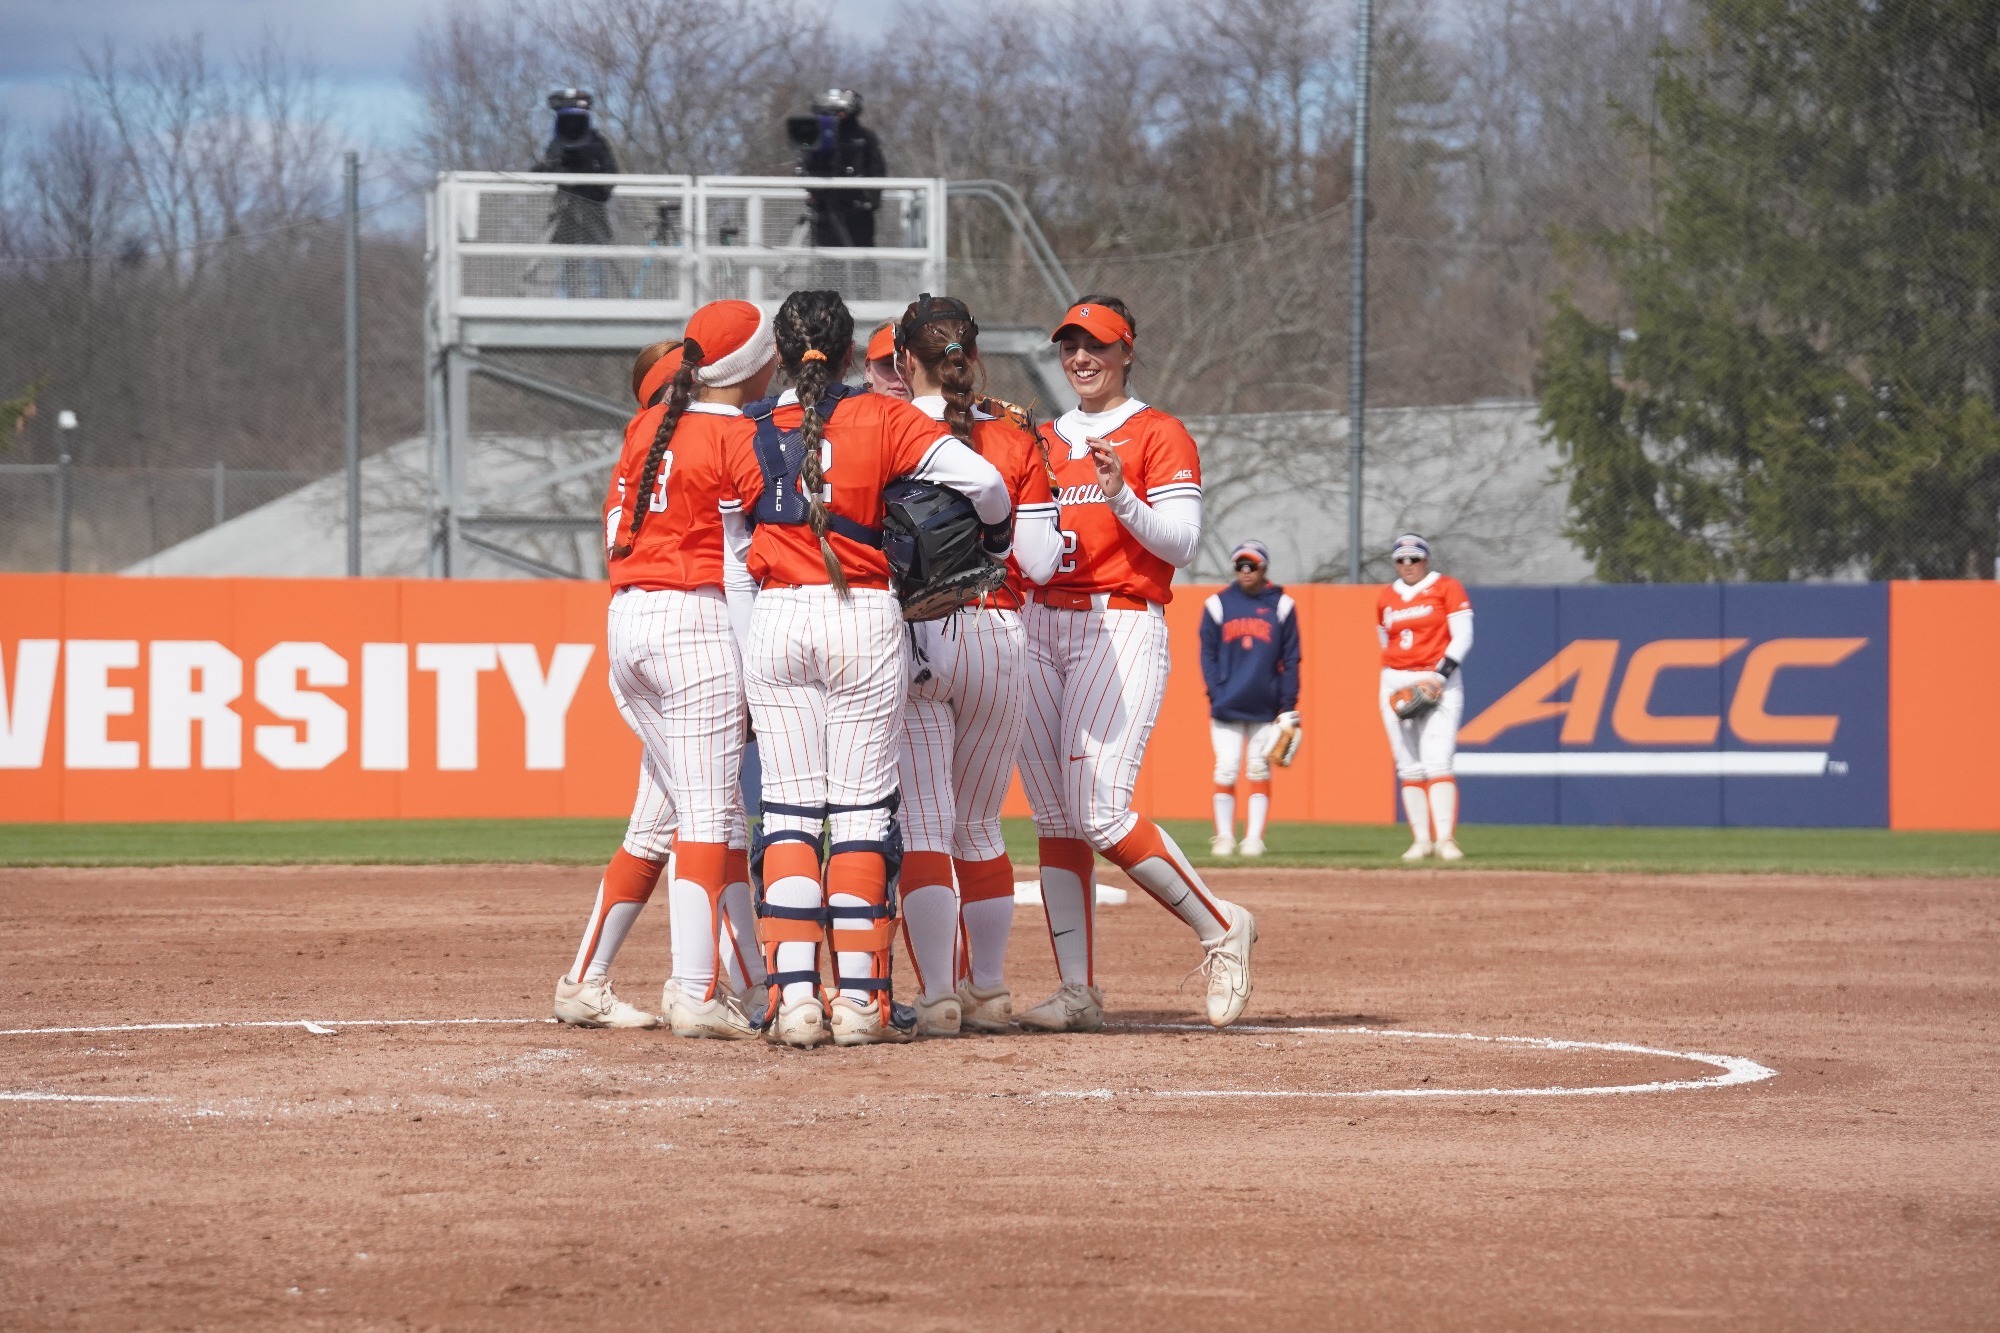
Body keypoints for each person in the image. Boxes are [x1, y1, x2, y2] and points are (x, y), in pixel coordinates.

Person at [727, 289, 1011, 1049]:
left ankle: (795, 1003)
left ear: (779, 357)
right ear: (854, 353)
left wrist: (752, 647)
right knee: (859, 813)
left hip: (777, 617)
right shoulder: (885, 417)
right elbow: (987, 486)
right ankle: (860, 1003)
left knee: (786, 814)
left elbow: (732, 563)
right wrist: (994, 546)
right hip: (861, 615)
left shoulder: (748, 428)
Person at [1017, 296, 1258, 1033]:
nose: (1081, 358)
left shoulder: (1159, 433)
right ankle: (1077, 988)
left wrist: (1120, 490)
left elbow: (1182, 544)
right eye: (1070, 346)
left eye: (1096, 345)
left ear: (1127, 350)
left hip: (1115, 624)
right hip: (1037, 622)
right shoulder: (1042, 438)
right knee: (1056, 816)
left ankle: (1222, 925)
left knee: (1099, 810)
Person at [552, 304, 777, 1037]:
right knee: (712, 820)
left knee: (660, 819)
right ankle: (698, 987)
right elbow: (756, 551)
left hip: (629, 619)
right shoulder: (736, 434)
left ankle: (586, 981)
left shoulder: (649, 426)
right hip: (696, 621)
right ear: (750, 366)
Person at [890, 294, 1062, 1036]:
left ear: (903, 361)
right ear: (973, 356)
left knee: (925, 826)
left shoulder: (882, 429)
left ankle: (938, 997)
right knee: (982, 827)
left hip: (919, 635)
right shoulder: (1017, 440)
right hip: (998, 633)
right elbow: (1040, 562)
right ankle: (989, 989)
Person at [1200, 539, 1301, 858]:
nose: (1245, 571)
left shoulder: (1282, 605)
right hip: (1227, 703)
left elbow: (1292, 658)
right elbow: (1208, 654)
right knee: (1226, 769)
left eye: (1252, 565)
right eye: (1240, 565)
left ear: (1264, 568)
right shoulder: (1217, 604)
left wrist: (1288, 706)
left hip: (1266, 705)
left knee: (1259, 769)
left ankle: (1254, 838)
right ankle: (1225, 837)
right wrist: (1215, 691)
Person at [1376, 533, 1472, 860]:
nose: (1407, 564)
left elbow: (1463, 636)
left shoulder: (1446, 587)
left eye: (1413, 558)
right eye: (1401, 559)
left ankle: (1445, 839)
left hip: (1438, 679)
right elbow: (1383, 641)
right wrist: (1396, 680)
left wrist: (1439, 675)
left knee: (1438, 760)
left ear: (1425, 559)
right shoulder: (1386, 596)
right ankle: (1420, 840)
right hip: (1396, 682)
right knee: (1408, 765)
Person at [533, 89, 621, 296]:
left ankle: (598, 308)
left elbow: (612, 174)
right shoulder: (557, 144)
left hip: (593, 211)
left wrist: (597, 187)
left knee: (595, 266)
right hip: (565, 214)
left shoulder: (598, 143)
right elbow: (545, 171)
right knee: (566, 264)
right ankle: (564, 309)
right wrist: (552, 166)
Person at [795, 89, 885, 248]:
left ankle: (864, 273)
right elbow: (806, 168)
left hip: (858, 208)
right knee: (828, 258)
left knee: (863, 257)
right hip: (823, 206)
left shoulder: (865, 137)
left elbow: (877, 168)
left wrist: (872, 198)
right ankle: (831, 274)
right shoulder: (816, 136)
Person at [861, 322, 910, 400]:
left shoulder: (933, 409)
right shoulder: (848, 410)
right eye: (890, 365)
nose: (901, 376)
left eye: (910, 367)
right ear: (869, 370)